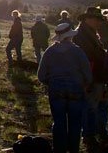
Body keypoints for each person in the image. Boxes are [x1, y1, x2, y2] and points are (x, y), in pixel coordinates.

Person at [38, 23, 92, 153]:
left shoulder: (49, 52)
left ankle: (59, 149)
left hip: (56, 90)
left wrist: (50, 82)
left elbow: (41, 75)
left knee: (59, 122)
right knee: (75, 123)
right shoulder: (78, 51)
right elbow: (88, 74)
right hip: (76, 90)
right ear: (70, 36)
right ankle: (73, 149)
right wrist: (85, 84)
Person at [74, 7, 108, 152]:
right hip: (91, 78)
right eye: (96, 19)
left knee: (101, 106)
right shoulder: (80, 35)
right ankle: (89, 135)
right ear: (87, 19)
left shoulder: (90, 33)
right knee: (91, 108)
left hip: (98, 77)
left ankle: (99, 132)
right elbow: (85, 59)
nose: (98, 22)